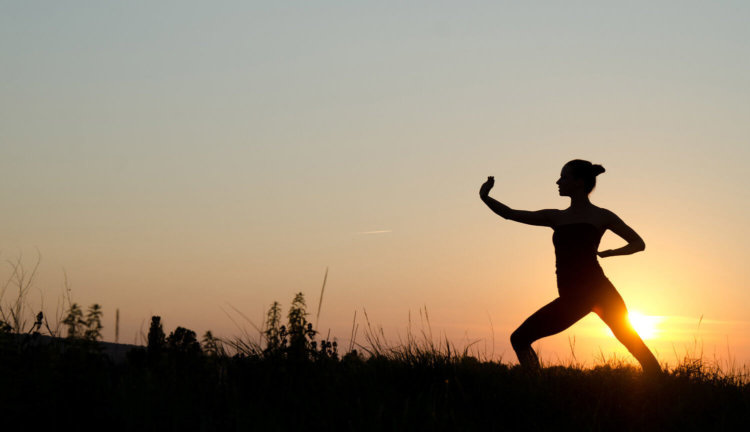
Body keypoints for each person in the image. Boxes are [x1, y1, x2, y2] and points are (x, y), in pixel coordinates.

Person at [479, 159, 661, 374]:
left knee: (634, 344)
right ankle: (536, 386)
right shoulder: (556, 216)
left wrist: (612, 253)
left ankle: (661, 387)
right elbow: (510, 213)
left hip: (600, 292)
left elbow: (638, 243)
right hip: (572, 297)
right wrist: (485, 197)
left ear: (579, 182)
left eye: (563, 177)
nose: (558, 181)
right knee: (519, 339)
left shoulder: (601, 215)